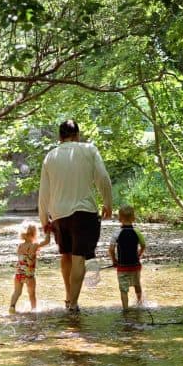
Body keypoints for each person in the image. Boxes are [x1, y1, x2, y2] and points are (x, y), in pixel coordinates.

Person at [38, 120, 112, 313]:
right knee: (79, 258)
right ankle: (73, 304)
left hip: (59, 214)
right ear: (78, 135)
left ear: (59, 137)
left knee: (66, 255)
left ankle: (68, 297)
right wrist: (107, 202)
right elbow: (103, 178)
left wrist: (44, 221)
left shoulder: (50, 156)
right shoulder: (89, 150)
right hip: (84, 212)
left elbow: (43, 193)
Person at [108, 205, 146, 310]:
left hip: (122, 267)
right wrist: (139, 254)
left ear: (120, 219)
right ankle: (140, 304)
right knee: (137, 284)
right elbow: (143, 246)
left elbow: (111, 249)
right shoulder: (137, 232)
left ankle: (125, 310)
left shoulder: (117, 233)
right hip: (135, 265)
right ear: (134, 218)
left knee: (123, 290)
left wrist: (114, 260)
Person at [9, 223, 51, 314]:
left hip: (18, 274)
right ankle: (34, 311)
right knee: (32, 295)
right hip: (29, 275)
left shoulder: (20, 246)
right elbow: (47, 241)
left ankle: (12, 307)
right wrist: (48, 231)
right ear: (33, 234)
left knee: (17, 292)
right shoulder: (34, 245)